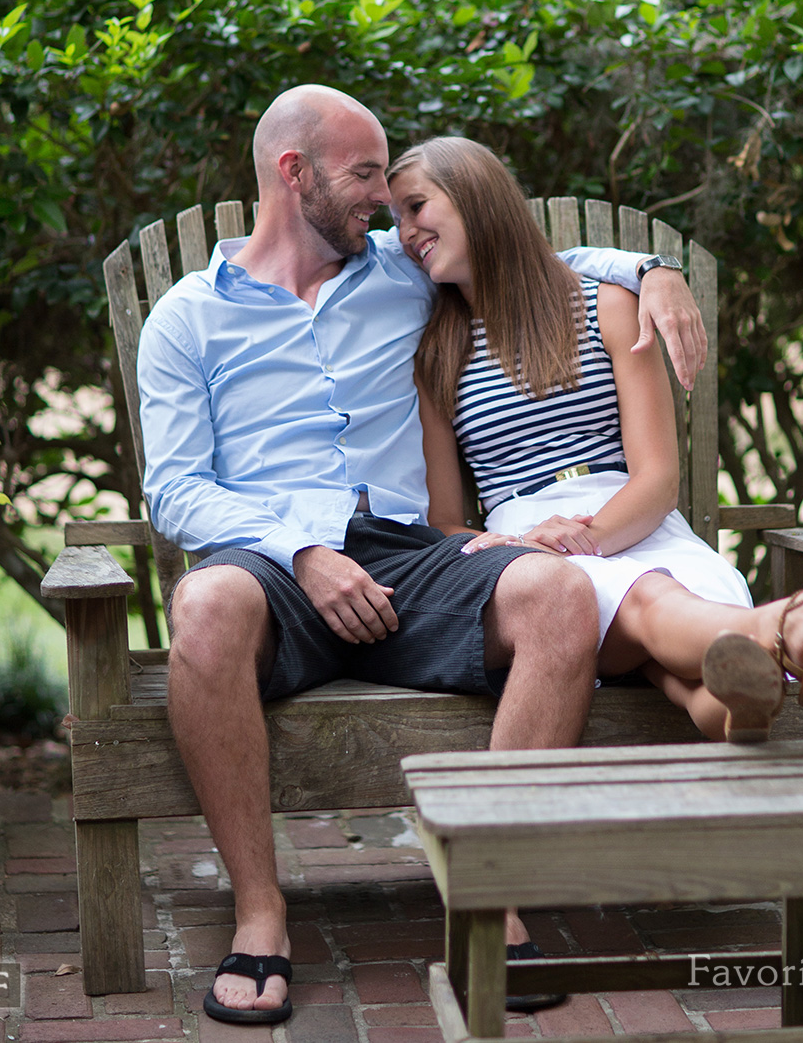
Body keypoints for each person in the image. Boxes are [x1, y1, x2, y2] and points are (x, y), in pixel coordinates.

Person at [135, 85, 709, 1026]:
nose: (382, 201)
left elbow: (531, 259)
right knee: (202, 607)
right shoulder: (188, 319)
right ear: (295, 173)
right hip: (273, 563)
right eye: (365, 174)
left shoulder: (398, 272)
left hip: (412, 551)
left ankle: (490, 895)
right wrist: (304, 550)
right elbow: (176, 491)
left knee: (559, 595)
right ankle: (262, 914)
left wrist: (650, 267)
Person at [387, 136, 803, 745]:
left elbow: (657, 479)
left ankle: (740, 703)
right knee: (648, 598)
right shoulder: (437, 355)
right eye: (395, 219)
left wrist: (590, 536)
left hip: (641, 521)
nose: (404, 232)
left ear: (473, 197)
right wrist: (521, 545)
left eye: (414, 207)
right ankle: (784, 630)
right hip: (532, 553)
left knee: (674, 644)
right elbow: (445, 522)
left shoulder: (609, 306)